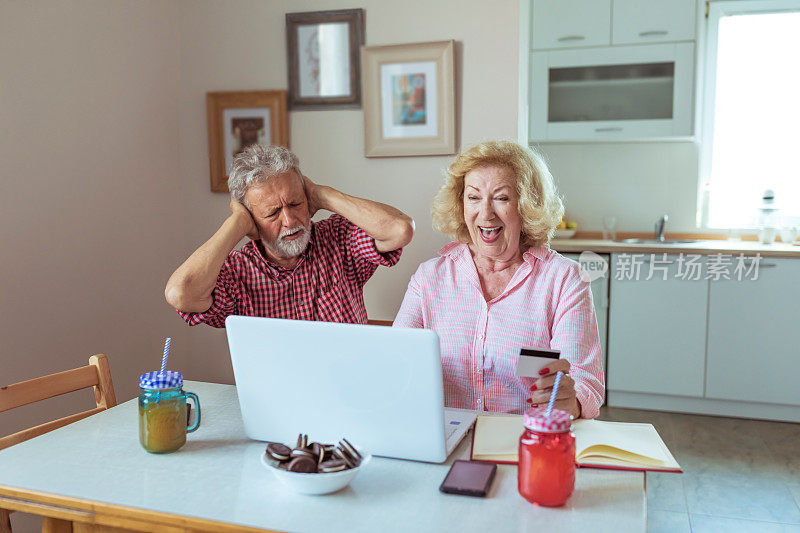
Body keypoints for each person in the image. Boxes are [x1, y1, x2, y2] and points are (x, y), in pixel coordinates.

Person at [393, 140, 604, 418]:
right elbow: (395, 360)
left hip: (526, 438)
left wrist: (571, 400)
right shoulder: (429, 278)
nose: (486, 212)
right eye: (473, 197)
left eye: (502, 198)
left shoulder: (564, 280)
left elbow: (585, 384)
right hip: (444, 436)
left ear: (526, 206)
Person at [166, 144, 414, 327]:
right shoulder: (236, 271)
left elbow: (399, 230)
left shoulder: (338, 238)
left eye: (295, 203)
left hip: (349, 389)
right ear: (251, 219)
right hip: (274, 397)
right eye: (272, 212)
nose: (289, 220)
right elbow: (181, 294)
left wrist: (323, 195)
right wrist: (237, 224)